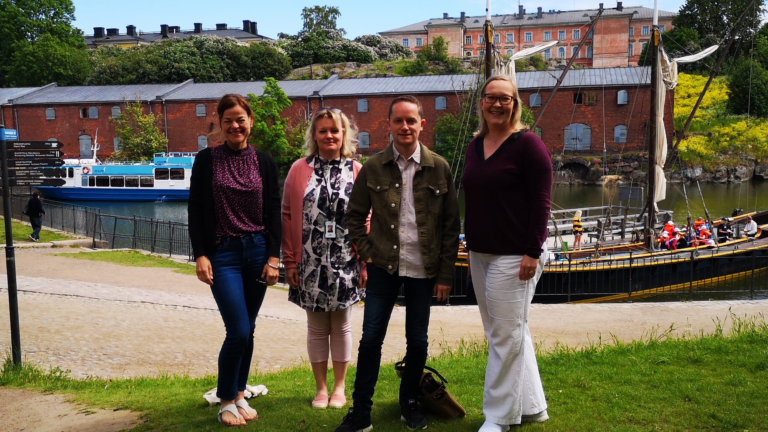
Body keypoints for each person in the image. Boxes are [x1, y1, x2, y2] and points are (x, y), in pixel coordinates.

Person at [336, 95, 461, 432]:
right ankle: (361, 411)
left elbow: (451, 226)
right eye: (398, 121)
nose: (404, 127)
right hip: (383, 267)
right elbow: (354, 215)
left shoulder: (439, 166)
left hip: (424, 270)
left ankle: (409, 403)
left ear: (422, 124)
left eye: (411, 120)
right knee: (370, 339)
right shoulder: (374, 166)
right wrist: (366, 251)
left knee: (417, 341)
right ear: (388, 125)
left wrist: (446, 274)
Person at [461, 75, 552, 432]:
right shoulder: (475, 145)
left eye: (505, 99)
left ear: (515, 104)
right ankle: (532, 406)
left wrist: (532, 251)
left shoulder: (529, 145)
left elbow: (542, 201)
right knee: (509, 332)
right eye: (490, 98)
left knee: (505, 336)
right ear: (481, 102)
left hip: (516, 255)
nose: (497, 105)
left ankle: (498, 418)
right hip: (480, 252)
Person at [188, 94, 281, 427]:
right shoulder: (206, 160)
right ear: (220, 124)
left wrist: (274, 256)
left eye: (240, 119)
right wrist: (200, 254)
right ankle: (226, 399)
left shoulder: (265, 162)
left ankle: (240, 393)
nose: (235, 125)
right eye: (228, 120)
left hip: (257, 251)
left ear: (250, 122)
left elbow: (274, 211)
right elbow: (196, 210)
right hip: (223, 253)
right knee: (238, 330)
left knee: (249, 329)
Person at [281, 107, 367, 410]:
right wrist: (290, 261)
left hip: (346, 259)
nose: (329, 135)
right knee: (316, 327)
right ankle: (320, 388)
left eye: (335, 130)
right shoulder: (298, 169)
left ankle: (340, 387)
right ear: (314, 135)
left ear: (344, 134)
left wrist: (365, 261)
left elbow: (366, 217)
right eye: (323, 130)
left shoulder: (356, 170)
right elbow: (287, 215)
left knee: (342, 325)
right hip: (309, 261)